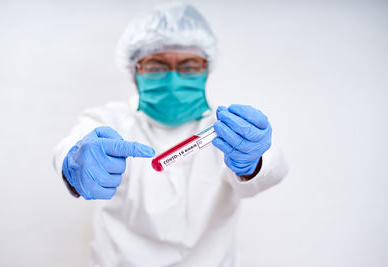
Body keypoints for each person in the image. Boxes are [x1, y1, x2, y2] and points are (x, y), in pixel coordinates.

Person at [53, 3, 288, 267]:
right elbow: (71, 144)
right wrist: (72, 160)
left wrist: (254, 161)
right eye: (156, 66)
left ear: (206, 69)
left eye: (189, 66)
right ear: (134, 72)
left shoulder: (224, 128)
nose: (174, 80)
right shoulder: (109, 121)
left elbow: (274, 166)